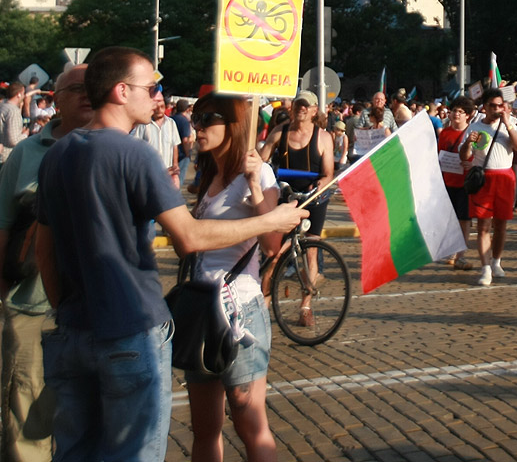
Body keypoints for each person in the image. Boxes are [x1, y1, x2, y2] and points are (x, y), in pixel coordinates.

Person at [34, 46, 306, 462]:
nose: (158, 97)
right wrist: (271, 221)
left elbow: (44, 249)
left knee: (74, 451)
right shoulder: (135, 152)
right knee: (136, 452)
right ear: (122, 92)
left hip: (76, 330)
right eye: (151, 87)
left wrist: (65, 311)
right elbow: (189, 238)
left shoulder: (58, 154)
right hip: (131, 325)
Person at [0, 65, 91, 462]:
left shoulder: (113, 146)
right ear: (55, 100)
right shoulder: (26, 151)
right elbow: (2, 224)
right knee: (28, 409)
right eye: (78, 89)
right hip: (31, 304)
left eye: (95, 88)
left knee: (87, 413)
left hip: (93, 309)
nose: (89, 94)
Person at [186, 92, 283, 461]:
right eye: (195, 119)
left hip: (239, 310)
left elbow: (273, 244)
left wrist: (256, 184)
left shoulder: (259, 173)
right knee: (205, 429)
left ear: (233, 124)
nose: (197, 128)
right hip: (201, 309)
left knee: (250, 422)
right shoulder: (208, 173)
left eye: (207, 119)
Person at [260, 90, 333, 327]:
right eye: (299, 105)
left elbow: (328, 174)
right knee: (274, 254)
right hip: (285, 197)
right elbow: (261, 162)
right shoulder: (279, 133)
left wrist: (319, 186)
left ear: (314, 111)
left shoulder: (323, 137)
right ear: (292, 108)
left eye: (307, 106)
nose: (302, 109)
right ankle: (264, 303)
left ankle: (306, 307)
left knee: (311, 252)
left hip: (313, 199)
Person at [461, 89, 517, 286]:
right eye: (492, 106)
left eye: (500, 106)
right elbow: (463, 156)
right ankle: (485, 267)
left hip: (505, 177)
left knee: (501, 224)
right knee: (483, 226)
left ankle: (497, 261)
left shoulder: (510, 124)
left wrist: (508, 124)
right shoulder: (475, 126)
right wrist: (469, 143)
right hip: (484, 177)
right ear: (485, 107)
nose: (497, 109)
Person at [438, 97, 476, 271]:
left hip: (465, 183)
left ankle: (461, 254)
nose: (456, 114)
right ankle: (451, 251)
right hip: (447, 180)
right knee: (449, 219)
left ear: (468, 115)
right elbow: (439, 154)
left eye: (460, 112)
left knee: (464, 220)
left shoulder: (473, 133)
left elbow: (480, 155)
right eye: (454, 110)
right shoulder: (445, 133)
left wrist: (472, 164)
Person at [133, 87, 182, 189]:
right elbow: (136, 147)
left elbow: (174, 145)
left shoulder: (171, 123)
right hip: (149, 173)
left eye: (162, 106)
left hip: (168, 172)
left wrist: (175, 165)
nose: (160, 110)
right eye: (157, 107)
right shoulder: (143, 124)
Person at [0, 83, 27, 168]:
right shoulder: (13, 111)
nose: (24, 96)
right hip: (6, 157)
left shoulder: (2, 106)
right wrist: (25, 134)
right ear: (18, 94)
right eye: (23, 93)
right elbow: (13, 141)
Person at [172, 98, 194, 188]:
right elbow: (185, 140)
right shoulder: (184, 121)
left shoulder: (171, 118)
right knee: (179, 179)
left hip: (172, 152)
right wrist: (188, 153)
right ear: (187, 109)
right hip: (181, 153)